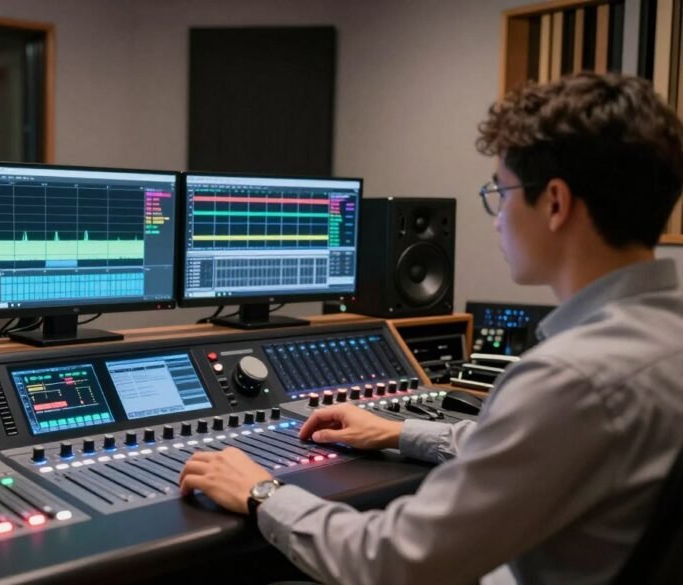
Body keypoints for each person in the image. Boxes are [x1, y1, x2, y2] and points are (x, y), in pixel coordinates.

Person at [178, 72, 683, 585]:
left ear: (555, 202)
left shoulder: (571, 379)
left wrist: (264, 492)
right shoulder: (665, 338)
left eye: (501, 193)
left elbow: (395, 563)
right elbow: (543, 452)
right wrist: (401, 431)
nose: (497, 218)